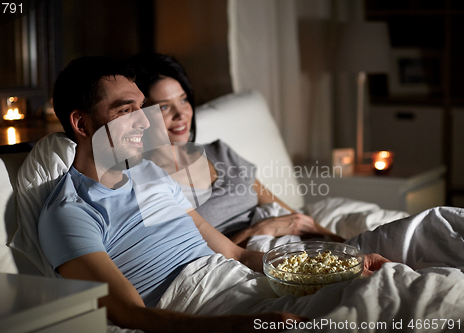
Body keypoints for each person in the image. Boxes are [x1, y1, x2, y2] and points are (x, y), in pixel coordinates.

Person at [38, 56, 388, 332]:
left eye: (142, 109)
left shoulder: (150, 175)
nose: (145, 123)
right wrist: (233, 326)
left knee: (383, 288)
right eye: (126, 111)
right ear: (82, 124)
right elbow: (132, 315)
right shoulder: (70, 213)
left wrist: (342, 265)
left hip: (243, 283)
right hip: (199, 306)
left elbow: (236, 254)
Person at [128, 53, 344, 246]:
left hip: (292, 242)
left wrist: (341, 242)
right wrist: (258, 231)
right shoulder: (149, 183)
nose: (181, 114)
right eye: (164, 106)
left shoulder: (219, 152)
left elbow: (291, 214)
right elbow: (194, 255)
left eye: (183, 100)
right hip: (247, 260)